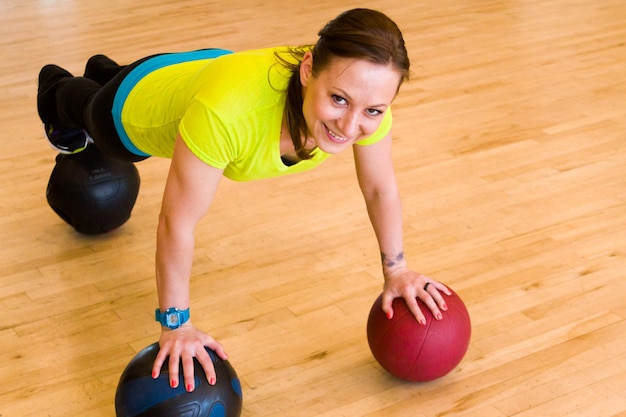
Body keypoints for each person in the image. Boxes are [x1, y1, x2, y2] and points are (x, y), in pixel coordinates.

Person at [37, 8, 452, 392]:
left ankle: (103, 69)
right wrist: (175, 325)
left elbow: (379, 187)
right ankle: (55, 87)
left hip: (206, 72)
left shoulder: (366, 97)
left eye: (373, 111)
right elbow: (176, 222)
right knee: (94, 114)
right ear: (308, 68)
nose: (350, 124)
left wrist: (397, 270)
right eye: (338, 99)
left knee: (127, 81)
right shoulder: (228, 114)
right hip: (139, 108)